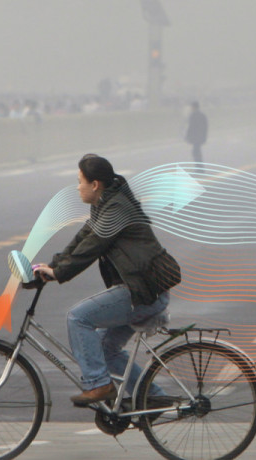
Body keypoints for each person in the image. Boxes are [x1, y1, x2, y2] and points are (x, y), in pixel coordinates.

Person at [33, 154, 181, 407]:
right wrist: (54, 266)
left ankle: (99, 385)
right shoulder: (106, 204)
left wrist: (60, 273)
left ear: (95, 184)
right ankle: (152, 397)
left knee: (78, 317)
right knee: (105, 349)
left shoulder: (116, 209)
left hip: (142, 293)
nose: (77, 187)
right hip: (142, 291)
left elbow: (92, 246)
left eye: (80, 181)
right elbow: (83, 238)